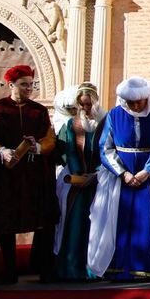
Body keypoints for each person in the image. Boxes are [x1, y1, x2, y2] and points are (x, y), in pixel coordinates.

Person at [0, 64, 58, 284]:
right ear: (11, 85)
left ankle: (43, 269)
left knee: (42, 220)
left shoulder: (39, 111)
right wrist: (1, 151)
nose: (29, 88)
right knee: (6, 221)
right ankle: (9, 271)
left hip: (34, 175)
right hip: (6, 175)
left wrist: (37, 147)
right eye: (24, 85)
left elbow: (49, 139)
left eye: (31, 84)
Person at [88, 77, 150, 279]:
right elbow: (105, 148)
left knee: (148, 219)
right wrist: (123, 173)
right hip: (120, 177)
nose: (135, 105)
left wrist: (145, 172)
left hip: (149, 176)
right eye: (131, 101)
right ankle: (116, 266)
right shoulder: (114, 115)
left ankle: (146, 267)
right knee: (118, 219)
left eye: (139, 101)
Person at [53, 82, 103, 281]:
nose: (85, 108)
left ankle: (94, 269)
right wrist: (79, 175)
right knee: (75, 225)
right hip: (77, 182)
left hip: (99, 181)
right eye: (82, 104)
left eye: (88, 104)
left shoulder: (104, 122)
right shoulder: (72, 124)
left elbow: (107, 149)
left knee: (97, 225)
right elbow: (71, 151)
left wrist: (97, 174)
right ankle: (71, 268)